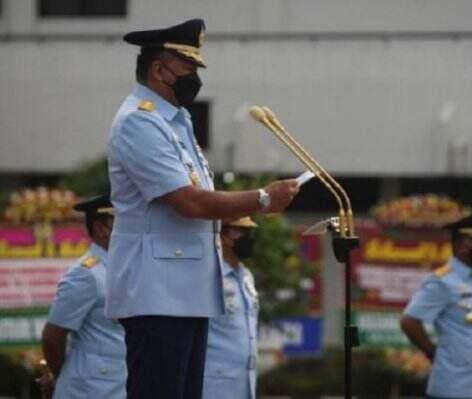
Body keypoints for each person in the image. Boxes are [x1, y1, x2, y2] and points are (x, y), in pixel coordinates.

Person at [106, 19, 299, 399]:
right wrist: (261, 198)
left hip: (187, 292)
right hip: (156, 292)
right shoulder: (139, 122)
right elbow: (189, 202)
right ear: (159, 70)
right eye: (188, 67)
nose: (195, 77)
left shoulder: (175, 122)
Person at [400, 210, 472, 399]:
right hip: (454, 387)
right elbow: (409, 321)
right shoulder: (443, 281)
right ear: (461, 245)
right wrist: (431, 352)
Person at [40, 194, 125, 398]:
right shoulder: (86, 274)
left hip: (121, 382)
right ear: (101, 228)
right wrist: (64, 376)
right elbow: (53, 337)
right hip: (90, 388)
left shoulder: (122, 269)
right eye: (123, 223)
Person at [203, 217, 260, 399]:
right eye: (241, 232)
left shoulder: (246, 276)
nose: (248, 238)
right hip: (213, 382)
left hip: (245, 382)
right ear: (223, 235)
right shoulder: (208, 275)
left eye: (249, 232)